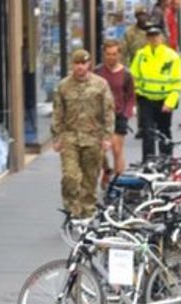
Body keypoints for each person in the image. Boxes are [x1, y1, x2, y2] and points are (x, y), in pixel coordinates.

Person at [51, 49, 114, 219]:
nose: (80, 67)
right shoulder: (63, 86)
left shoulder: (100, 84)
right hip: (70, 137)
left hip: (93, 137)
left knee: (90, 178)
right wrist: (56, 137)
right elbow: (57, 112)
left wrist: (108, 137)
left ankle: (88, 211)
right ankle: (73, 211)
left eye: (83, 63)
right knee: (70, 177)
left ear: (89, 64)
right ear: (72, 64)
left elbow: (108, 111)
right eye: (77, 63)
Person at [130, 26, 181, 161]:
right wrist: (135, 95)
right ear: (147, 38)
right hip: (146, 99)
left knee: (164, 131)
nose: (153, 39)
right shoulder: (141, 55)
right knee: (147, 133)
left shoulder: (172, 56)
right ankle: (148, 161)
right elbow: (133, 77)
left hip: (164, 100)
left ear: (162, 38)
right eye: (150, 36)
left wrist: (170, 102)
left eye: (156, 36)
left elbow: (177, 83)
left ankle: (166, 159)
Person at [94, 40, 135, 183]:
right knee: (99, 151)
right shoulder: (97, 72)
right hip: (100, 116)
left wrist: (127, 112)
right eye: (108, 54)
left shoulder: (126, 74)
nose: (111, 57)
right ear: (104, 55)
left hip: (119, 114)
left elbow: (130, 96)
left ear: (119, 54)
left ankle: (118, 183)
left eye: (114, 54)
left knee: (117, 150)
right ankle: (106, 169)